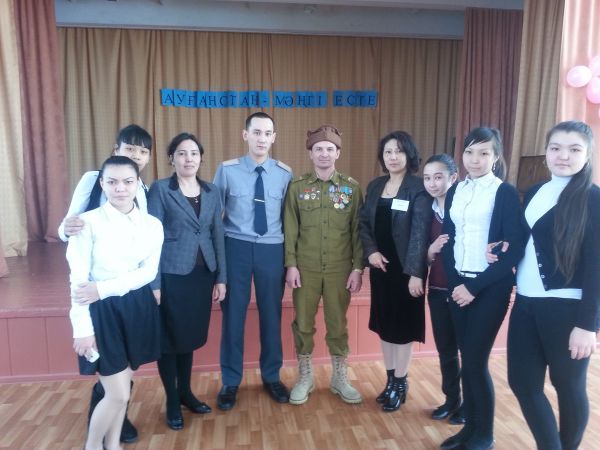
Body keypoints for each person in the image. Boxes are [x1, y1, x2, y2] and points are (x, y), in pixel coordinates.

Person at [505, 121, 599, 450]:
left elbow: (597, 266)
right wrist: (503, 249)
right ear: (546, 152)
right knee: (522, 382)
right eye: (556, 148)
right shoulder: (535, 191)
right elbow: (528, 242)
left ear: (587, 154)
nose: (563, 156)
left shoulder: (593, 198)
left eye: (574, 149)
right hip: (525, 303)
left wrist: (588, 325)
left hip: (567, 309)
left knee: (568, 387)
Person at [59, 124, 153, 444]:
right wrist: (68, 231)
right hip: (96, 290)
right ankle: (95, 436)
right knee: (113, 386)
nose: (136, 155)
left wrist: (151, 287)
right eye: (130, 149)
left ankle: (115, 432)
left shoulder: (144, 192)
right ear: (116, 150)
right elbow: (69, 225)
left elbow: (143, 252)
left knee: (122, 379)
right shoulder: (92, 181)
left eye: (142, 151)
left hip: (132, 297)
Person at [440, 127, 526, 450]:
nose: (475, 160)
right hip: (459, 285)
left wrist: (473, 287)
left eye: (484, 153)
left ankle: (485, 434)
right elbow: (449, 239)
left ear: (496, 156)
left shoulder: (504, 193)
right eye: (469, 152)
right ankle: (469, 429)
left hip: (489, 288)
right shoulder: (455, 191)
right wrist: (456, 283)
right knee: (468, 359)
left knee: (476, 362)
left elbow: (514, 249)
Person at [212, 112, 293, 410]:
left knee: (272, 315)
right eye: (256, 132)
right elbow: (214, 218)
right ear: (245, 135)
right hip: (236, 248)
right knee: (233, 316)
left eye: (267, 133)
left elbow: (289, 219)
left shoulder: (285, 174)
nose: (262, 138)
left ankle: (271, 376)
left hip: (272, 249)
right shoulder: (227, 171)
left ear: (274, 138)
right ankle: (230, 381)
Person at [148, 133, 227, 430]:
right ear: (172, 158)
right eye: (182, 153)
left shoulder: (211, 191)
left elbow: (217, 234)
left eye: (194, 153)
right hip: (171, 274)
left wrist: (221, 277)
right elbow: (152, 239)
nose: (188, 158)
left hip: (202, 276)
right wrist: (154, 283)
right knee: (170, 340)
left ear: (201, 158)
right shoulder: (160, 189)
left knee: (189, 337)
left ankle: (186, 393)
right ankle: (172, 400)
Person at [284, 124, 364, 405]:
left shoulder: (352, 189)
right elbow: (290, 228)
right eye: (318, 149)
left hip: (339, 270)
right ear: (310, 153)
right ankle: (305, 377)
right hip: (305, 269)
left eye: (330, 149)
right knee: (303, 323)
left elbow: (358, 231)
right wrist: (291, 264)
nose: (324, 154)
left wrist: (357, 268)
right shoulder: (297, 187)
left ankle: (340, 377)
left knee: (337, 324)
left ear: (338, 153)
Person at [358, 131, 432, 412]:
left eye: (399, 151)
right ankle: (390, 380)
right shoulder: (376, 185)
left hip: (406, 272)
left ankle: (401, 382)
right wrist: (371, 252)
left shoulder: (418, 187)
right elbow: (364, 223)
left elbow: (420, 232)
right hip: (381, 268)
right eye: (388, 151)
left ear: (409, 154)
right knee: (385, 326)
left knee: (402, 329)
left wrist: (416, 273)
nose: (393, 157)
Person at [422, 154, 464, 424]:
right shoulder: (425, 210)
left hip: (464, 291)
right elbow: (423, 256)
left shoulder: (464, 208)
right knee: (446, 350)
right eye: (427, 178)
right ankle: (451, 400)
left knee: (469, 352)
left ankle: (470, 404)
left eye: (438, 177)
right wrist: (431, 249)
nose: (433, 183)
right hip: (437, 289)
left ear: (453, 177)